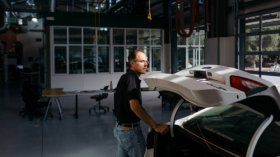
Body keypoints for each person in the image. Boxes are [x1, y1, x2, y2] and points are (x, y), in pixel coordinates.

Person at [113, 49, 169, 157]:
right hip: (130, 132)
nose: (146, 64)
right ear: (132, 63)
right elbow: (135, 106)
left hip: (120, 129)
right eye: (142, 61)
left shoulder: (126, 77)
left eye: (146, 61)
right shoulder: (131, 78)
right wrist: (155, 126)